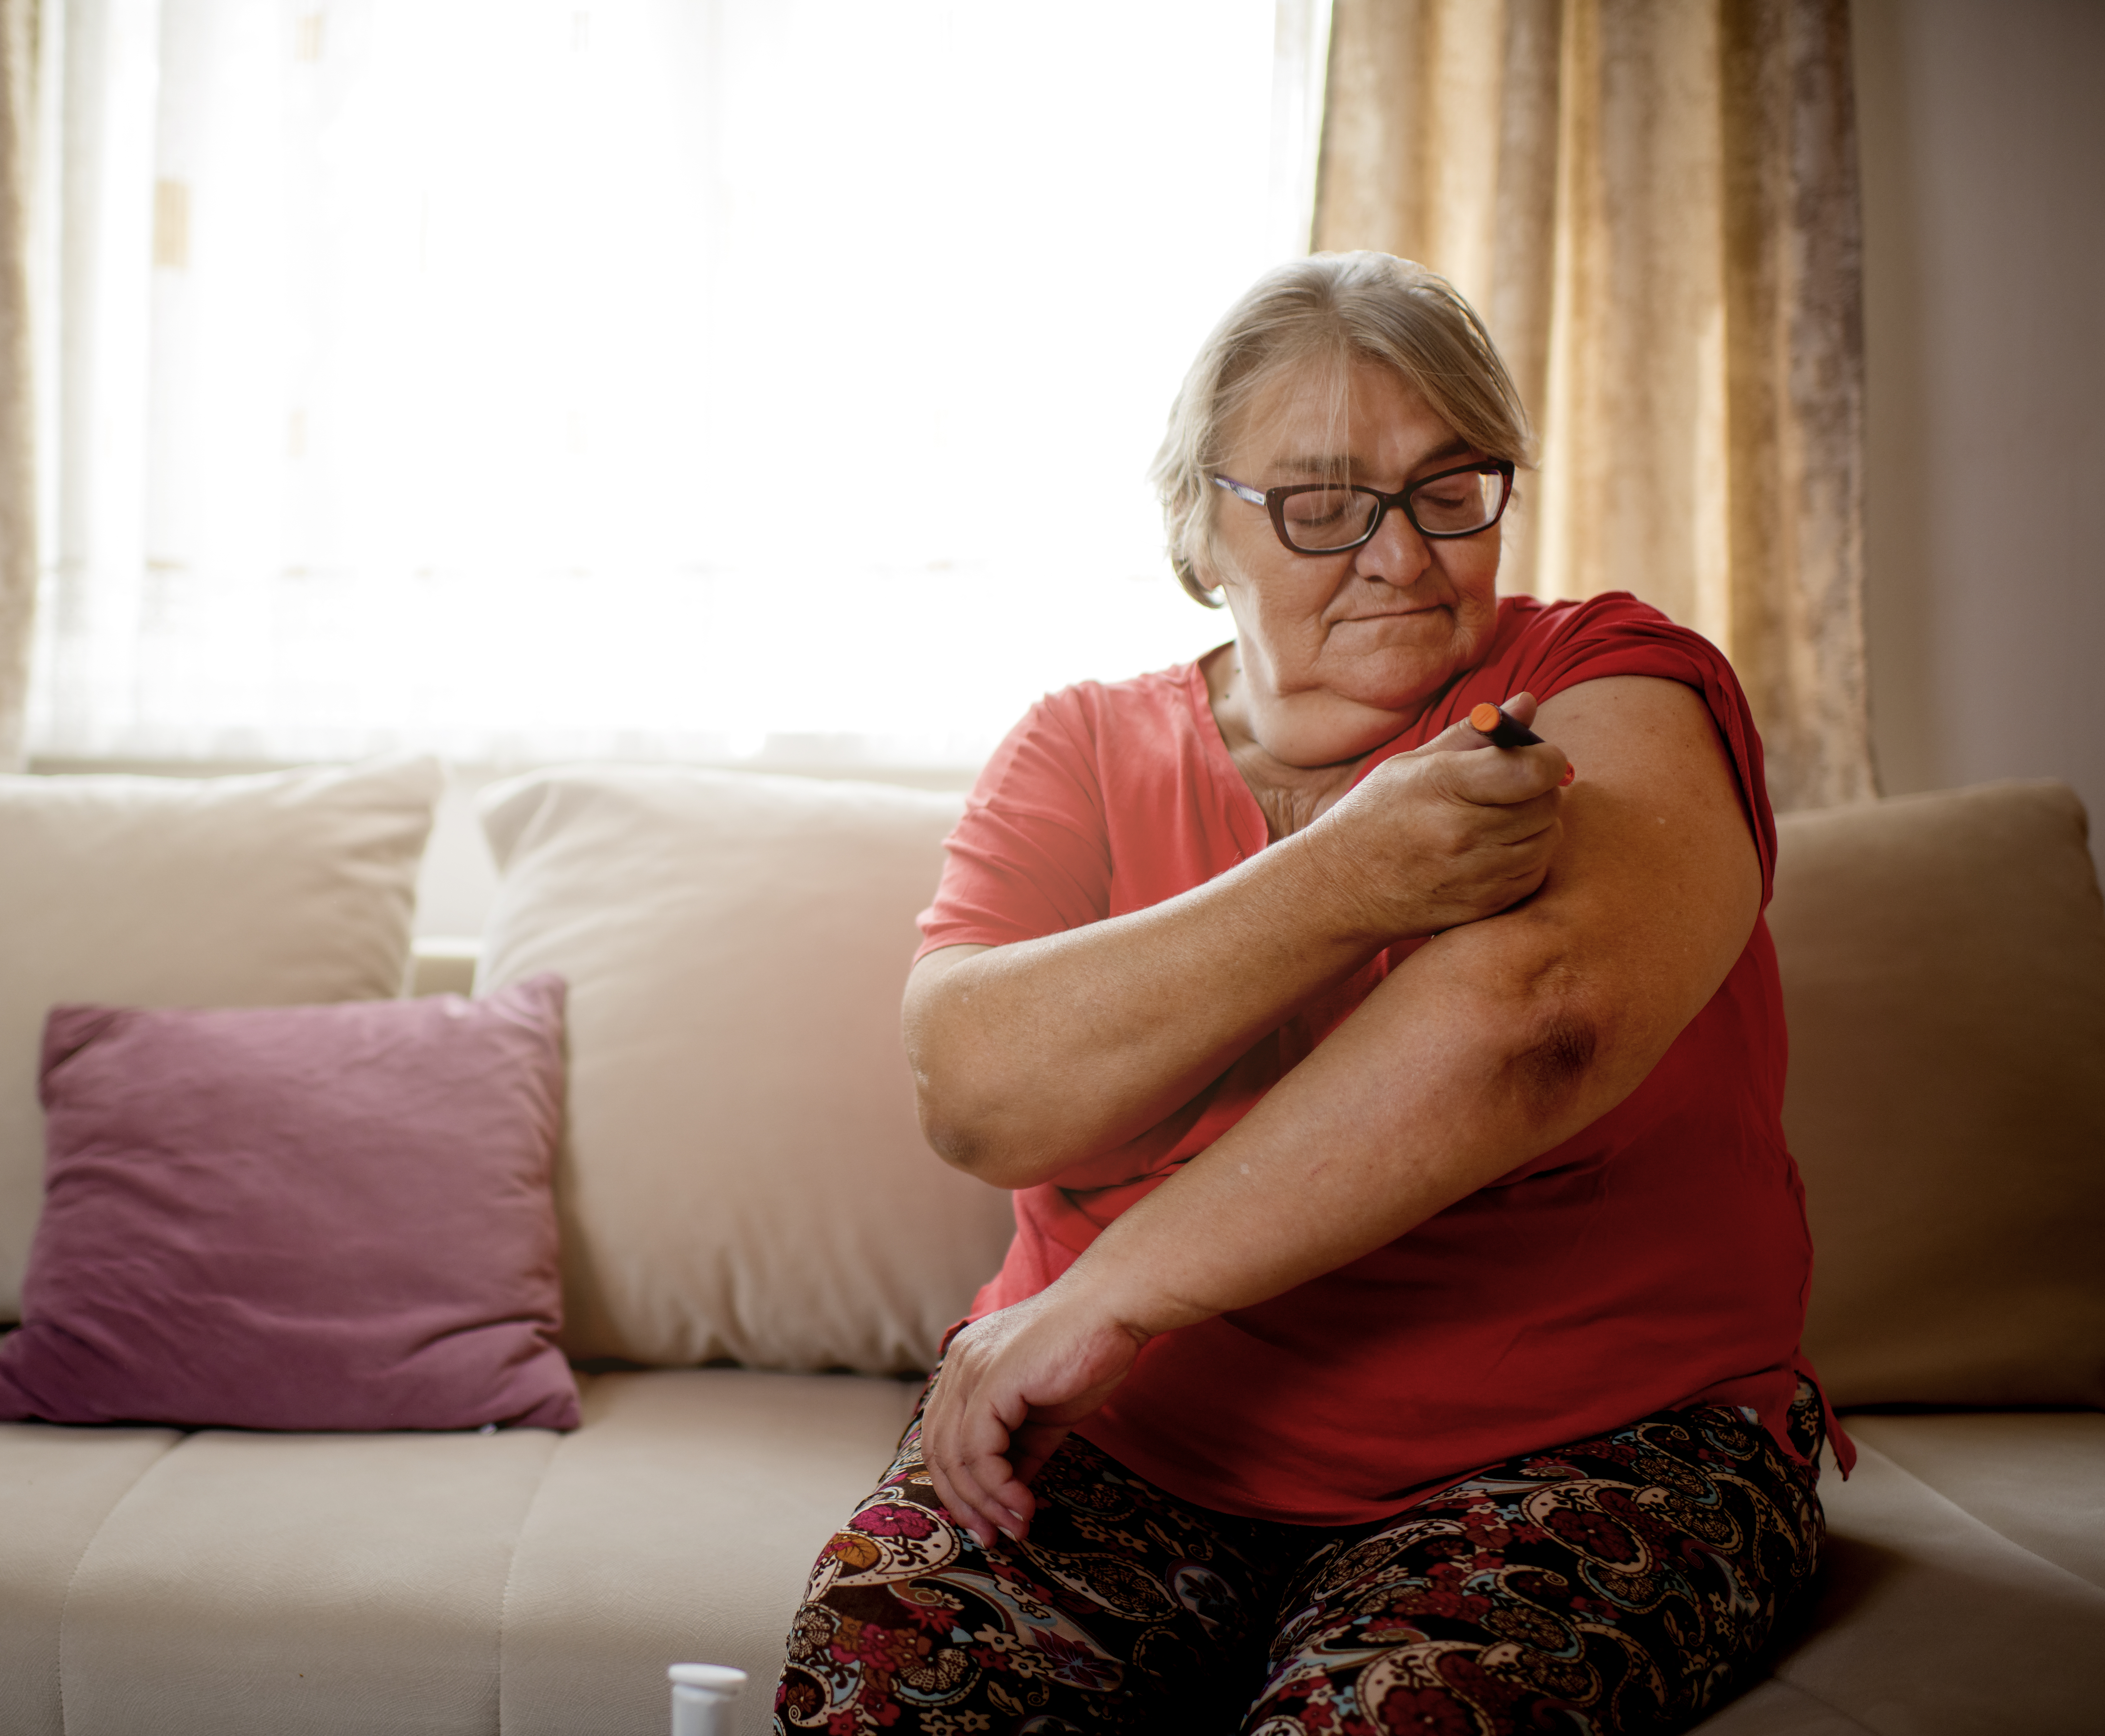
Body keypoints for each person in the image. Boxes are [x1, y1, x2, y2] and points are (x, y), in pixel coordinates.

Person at [772, 253, 1843, 1736]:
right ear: (1199, 527)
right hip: (1125, 1445)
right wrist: (1346, 876)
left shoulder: (1612, 677)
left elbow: (1544, 1016)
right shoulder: (1082, 748)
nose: (1401, 556)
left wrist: (1103, 1297)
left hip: (1584, 1448)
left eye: (1448, 487)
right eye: (1325, 504)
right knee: (882, 1685)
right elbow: (978, 1091)